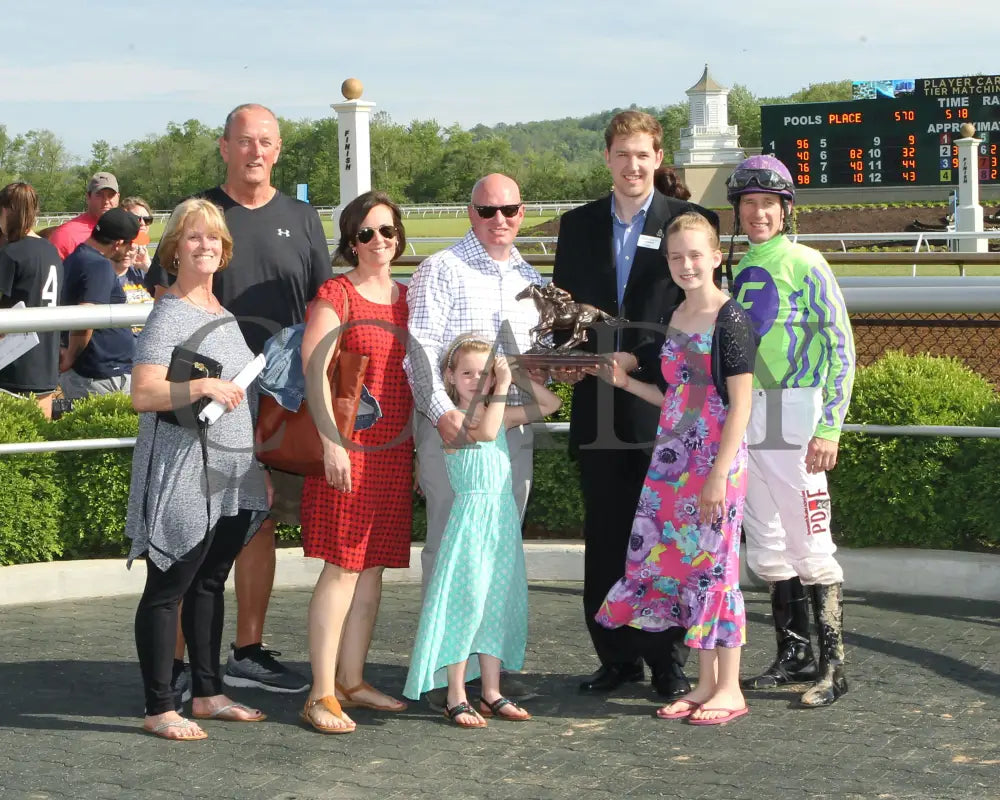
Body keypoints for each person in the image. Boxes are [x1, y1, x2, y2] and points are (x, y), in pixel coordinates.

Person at [145, 103, 329, 694]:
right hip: (206, 406)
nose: (255, 151)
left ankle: (246, 650)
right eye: (244, 141)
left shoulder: (301, 217)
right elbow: (164, 298)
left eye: (265, 141)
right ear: (225, 147)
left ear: (278, 150)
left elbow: (323, 302)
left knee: (257, 522)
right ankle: (175, 667)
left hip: (276, 402)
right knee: (193, 535)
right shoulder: (199, 215)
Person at [553, 110, 718, 698]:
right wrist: (563, 359)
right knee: (605, 536)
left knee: (665, 539)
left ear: (658, 157)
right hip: (597, 402)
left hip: (662, 403)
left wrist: (638, 360)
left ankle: (667, 662)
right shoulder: (577, 226)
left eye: (642, 154)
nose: (632, 165)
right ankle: (616, 657)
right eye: (622, 154)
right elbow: (566, 315)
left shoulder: (690, 224)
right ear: (607, 158)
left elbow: (696, 314)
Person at [594, 212, 756, 724]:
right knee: (689, 568)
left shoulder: (730, 318)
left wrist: (718, 475)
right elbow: (676, 397)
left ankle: (729, 688)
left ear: (716, 257)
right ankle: (705, 684)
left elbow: (741, 405)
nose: (686, 265)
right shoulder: (677, 314)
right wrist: (626, 384)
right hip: (673, 463)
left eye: (695, 255)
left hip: (714, 464)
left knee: (716, 570)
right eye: (676, 256)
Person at [125, 198, 269, 740]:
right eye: (193, 236)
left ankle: (208, 693)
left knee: (209, 582)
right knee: (169, 587)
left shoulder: (220, 313)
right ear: (174, 249)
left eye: (213, 237)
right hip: (184, 469)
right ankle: (160, 705)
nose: (204, 245)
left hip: (230, 473)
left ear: (224, 249)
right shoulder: (171, 313)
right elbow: (143, 394)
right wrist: (204, 385)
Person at [403, 173, 541, 706]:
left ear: (522, 212)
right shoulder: (441, 267)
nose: (499, 219)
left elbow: (532, 363)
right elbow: (419, 348)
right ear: (471, 213)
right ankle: (444, 678)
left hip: (509, 433)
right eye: (487, 210)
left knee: (498, 554)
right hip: (452, 431)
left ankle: (487, 679)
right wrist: (441, 415)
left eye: (509, 209)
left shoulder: (531, 276)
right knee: (449, 553)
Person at [726, 154, 856, 707]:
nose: (758, 213)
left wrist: (829, 426)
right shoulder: (735, 268)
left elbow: (841, 346)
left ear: (785, 211)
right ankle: (794, 654)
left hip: (797, 410)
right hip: (748, 411)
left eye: (768, 204)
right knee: (766, 542)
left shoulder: (806, 261)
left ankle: (834, 668)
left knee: (810, 539)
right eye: (749, 203)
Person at [298, 191, 413, 734]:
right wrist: (331, 443)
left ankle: (351, 680)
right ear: (350, 241)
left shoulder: (408, 298)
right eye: (366, 233)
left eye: (386, 231)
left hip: (394, 451)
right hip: (349, 449)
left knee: (372, 570)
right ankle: (319, 693)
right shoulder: (336, 294)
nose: (378, 241)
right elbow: (314, 369)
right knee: (343, 567)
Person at [403, 336, 561, 727]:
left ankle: (491, 691)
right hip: (471, 524)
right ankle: (455, 693)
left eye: (483, 373)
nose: (476, 380)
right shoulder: (452, 419)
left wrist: (516, 372)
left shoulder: (499, 413)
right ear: (450, 378)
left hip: (501, 523)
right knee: (466, 604)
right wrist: (502, 384)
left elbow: (550, 404)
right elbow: (488, 433)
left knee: (495, 604)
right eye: (467, 373)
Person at [59, 207, 140, 400]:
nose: (131, 249)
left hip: (96, 373)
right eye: (129, 244)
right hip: (101, 376)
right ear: (118, 243)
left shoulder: (78, 257)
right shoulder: (98, 265)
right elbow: (87, 317)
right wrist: (70, 356)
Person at [0, 182, 64, 419]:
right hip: (45, 364)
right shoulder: (50, 250)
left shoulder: (11, 253)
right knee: (38, 438)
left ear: (6, 210)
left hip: (13, 367)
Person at [48, 172, 120, 260]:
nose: (106, 201)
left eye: (111, 195)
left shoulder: (125, 231)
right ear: (88, 197)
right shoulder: (66, 235)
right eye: (99, 195)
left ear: (118, 197)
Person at [120, 196, 154, 273]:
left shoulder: (148, 257)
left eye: (147, 220)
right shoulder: (115, 256)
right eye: (136, 219)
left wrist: (147, 267)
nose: (143, 223)